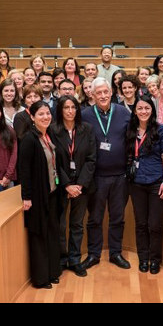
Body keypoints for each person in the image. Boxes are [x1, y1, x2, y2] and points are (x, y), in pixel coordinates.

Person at [81, 77, 132, 270]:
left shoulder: (123, 112)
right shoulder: (84, 114)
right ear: (92, 95)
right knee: (94, 218)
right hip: (96, 177)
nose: (102, 95)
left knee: (117, 217)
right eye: (98, 93)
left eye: (105, 92)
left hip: (120, 176)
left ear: (111, 92)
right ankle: (94, 254)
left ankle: (115, 253)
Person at [49, 95, 97, 278]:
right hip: (61, 187)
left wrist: (80, 185)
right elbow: (53, 162)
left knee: (77, 224)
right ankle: (62, 259)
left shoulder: (87, 129)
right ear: (60, 110)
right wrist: (68, 185)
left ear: (77, 110)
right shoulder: (53, 130)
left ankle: (75, 260)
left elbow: (91, 159)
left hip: (82, 187)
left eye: (73, 107)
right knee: (60, 225)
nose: (70, 111)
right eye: (66, 107)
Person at [126, 95, 163, 274]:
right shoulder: (129, 130)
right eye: (140, 108)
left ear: (152, 110)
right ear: (135, 111)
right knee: (141, 224)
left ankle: (155, 260)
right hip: (136, 183)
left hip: (156, 183)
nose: (143, 111)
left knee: (155, 225)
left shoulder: (161, 130)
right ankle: (143, 259)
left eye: (147, 108)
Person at [20, 101, 62, 289]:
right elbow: (24, 170)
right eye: (40, 114)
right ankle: (41, 278)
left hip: (52, 193)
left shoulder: (49, 133)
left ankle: (53, 272)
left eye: (47, 113)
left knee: (52, 233)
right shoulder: (29, 139)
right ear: (32, 117)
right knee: (39, 236)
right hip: (37, 196)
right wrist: (26, 197)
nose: (45, 117)